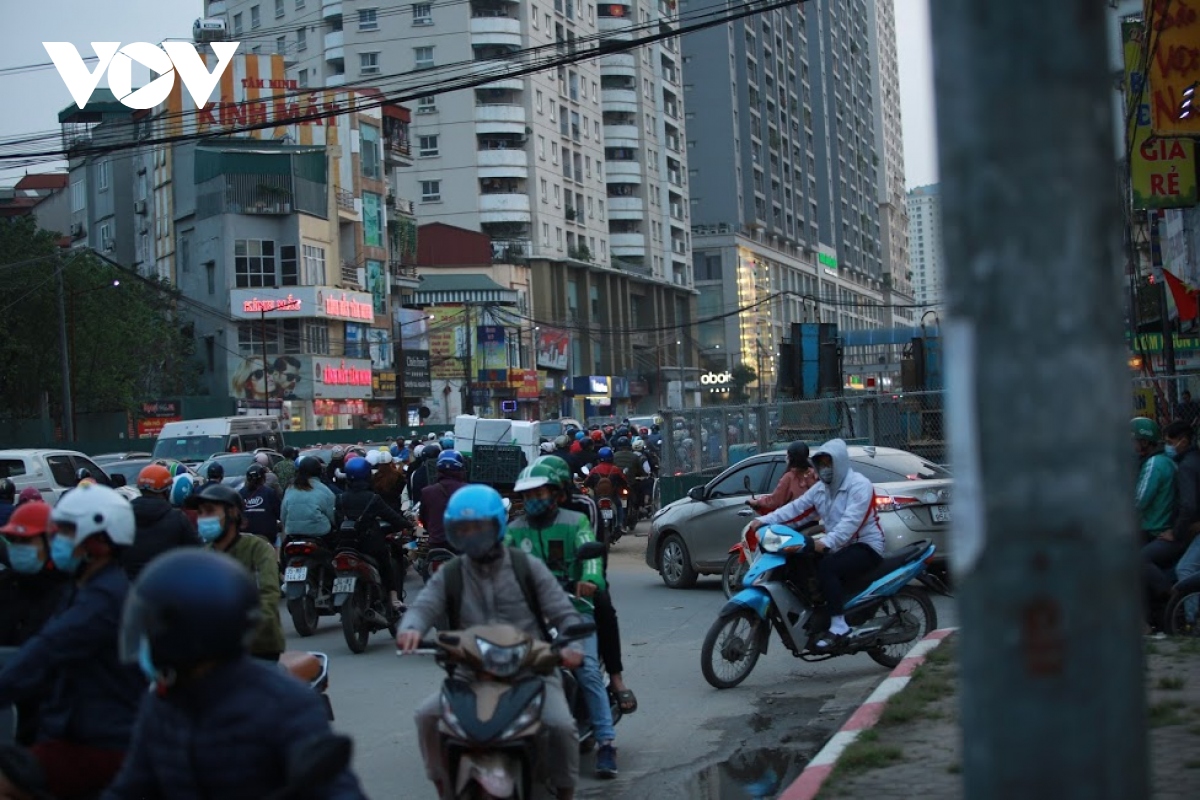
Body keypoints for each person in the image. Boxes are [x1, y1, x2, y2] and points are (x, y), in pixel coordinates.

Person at [102, 549, 367, 799]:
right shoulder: (162, 705)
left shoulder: (285, 706)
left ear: (190, 633)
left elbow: (337, 790)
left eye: (153, 628)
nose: (147, 640)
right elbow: (130, 786)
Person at [397, 485, 587, 800]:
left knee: (561, 726)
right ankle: (442, 784)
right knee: (426, 716)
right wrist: (411, 629)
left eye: (478, 527)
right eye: (463, 529)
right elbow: (423, 608)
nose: (471, 535)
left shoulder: (527, 567)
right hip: (470, 676)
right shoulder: (451, 574)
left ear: (497, 526)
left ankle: (565, 792)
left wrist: (572, 649)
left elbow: (564, 614)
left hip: (532, 672)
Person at [0, 484, 146, 799]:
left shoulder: (104, 599)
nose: (57, 540)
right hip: (73, 733)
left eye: (66, 532)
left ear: (99, 541)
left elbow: (45, 651)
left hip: (100, 744)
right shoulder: (82, 587)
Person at [510, 463, 619, 778]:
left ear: (555, 495)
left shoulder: (576, 521)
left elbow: (593, 558)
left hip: (573, 609)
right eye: (527, 495)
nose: (532, 500)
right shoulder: (515, 530)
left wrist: (590, 579)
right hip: (530, 615)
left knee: (586, 671)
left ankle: (606, 742)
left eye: (538, 493)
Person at [747, 439, 885, 650]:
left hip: (865, 545)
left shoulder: (859, 486)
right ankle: (818, 612)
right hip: (838, 545)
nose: (824, 469)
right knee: (796, 560)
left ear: (839, 462)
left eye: (828, 464)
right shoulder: (821, 488)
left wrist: (826, 543)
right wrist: (764, 521)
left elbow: (851, 523)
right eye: (820, 464)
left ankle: (839, 626)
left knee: (827, 567)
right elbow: (795, 509)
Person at [534, 456, 637, 715]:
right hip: (548, 578)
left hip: (584, 572)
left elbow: (588, 545)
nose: (538, 495)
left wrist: (587, 580)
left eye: (547, 488)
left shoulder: (583, 507)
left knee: (603, 608)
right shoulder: (532, 510)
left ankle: (615, 678)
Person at [186, 483, 286, 662]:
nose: (203, 518)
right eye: (200, 513)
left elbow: (268, 595)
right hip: (215, 650)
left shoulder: (258, 549)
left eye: (210, 511)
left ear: (232, 513)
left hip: (260, 647)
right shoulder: (203, 556)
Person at [0, 501, 73, 746]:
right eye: (15, 542)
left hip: (46, 719)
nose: (19, 549)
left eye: (27, 542)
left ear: (50, 542)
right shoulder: (6, 586)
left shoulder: (69, 594)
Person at [337, 456, 413, 611]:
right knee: (387, 564)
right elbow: (392, 517)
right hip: (369, 544)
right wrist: (407, 525)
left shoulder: (340, 498)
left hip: (345, 544)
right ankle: (393, 598)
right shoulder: (372, 498)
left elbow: (336, 520)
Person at [1146, 420, 1200, 627]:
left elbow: (1188, 506)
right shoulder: (1192, 460)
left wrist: (1176, 533)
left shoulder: (1186, 466)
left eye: (1170, 441)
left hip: (1187, 530)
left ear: (1183, 441)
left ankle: (1192, 622)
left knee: (1185, 570)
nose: (1167, 446)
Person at [123, 464, 201, 581]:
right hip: (168, 588)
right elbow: (198, 553)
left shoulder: (124, 518)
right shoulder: (178, 519)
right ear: (167, 491)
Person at [1133, 417, 1177, 541]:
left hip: (1153, 528)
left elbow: (1140, 500)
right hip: (1162, 524)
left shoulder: (1153, 464)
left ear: (1145, 442)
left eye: (1133, 441)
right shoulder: (1165, 458)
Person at [419, 450, 469, 552]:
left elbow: (423, 519)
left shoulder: (427, 492)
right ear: (461, 469)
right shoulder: (469, 491)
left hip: (436, 544)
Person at [749, 441, 819, 514]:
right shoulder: (814, 474)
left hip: (795, 520)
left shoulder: (789, 478)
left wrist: (757, 502)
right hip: (815, 519)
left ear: (790, 457)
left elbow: (775, 501)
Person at [281, 456, 336, 539]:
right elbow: (332, 516)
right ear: (319, 471)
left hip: (292, 533)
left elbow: (283, 515)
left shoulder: (290, 488)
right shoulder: (325, 490)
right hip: (320, 533)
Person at [585, 447, 629, 535]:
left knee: (592, 508)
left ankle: (591, 525)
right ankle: (620, 525)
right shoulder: (615, 469)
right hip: (612, 496)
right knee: (619, 506)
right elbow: (624, 481)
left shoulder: (595, 470)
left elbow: (587, 482)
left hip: (598, 496)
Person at [240, 463, 282, 545]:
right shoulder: (270, 492)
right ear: (263, 478)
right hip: (268, 537)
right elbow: (279, 513)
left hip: (245, 537)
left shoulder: (241, 493)